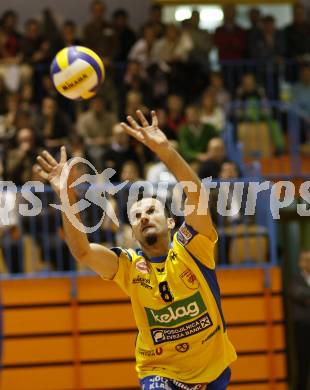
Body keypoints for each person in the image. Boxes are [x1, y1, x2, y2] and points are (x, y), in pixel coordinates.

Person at [34, 110, 236, 389]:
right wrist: (67, 197)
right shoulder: (128, 265)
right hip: (160, 371)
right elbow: (82, 251)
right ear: (132, 231)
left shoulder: (193, 247)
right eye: (136, 215)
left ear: (170, 221)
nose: (143, 217)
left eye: (151, 210)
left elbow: (197, 195)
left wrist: (166, 152)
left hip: (213, 370)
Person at [290, 251, 310, 390]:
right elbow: (298, 295)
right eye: (306, 260)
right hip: (302, 326)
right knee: (303, 361)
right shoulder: (295, 279)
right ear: (300, 263)